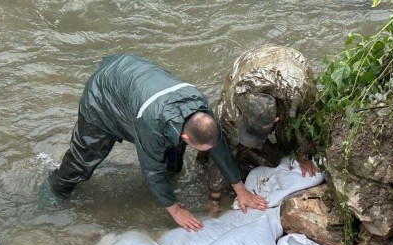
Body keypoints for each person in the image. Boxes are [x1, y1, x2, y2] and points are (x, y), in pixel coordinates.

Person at [43, 53, 268, 231]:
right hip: (104, 94)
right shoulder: (152, 126)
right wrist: (176, 210)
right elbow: (151, 171)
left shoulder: (200, 108)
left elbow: (217, 146)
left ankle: (170, 182)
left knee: (172, 160)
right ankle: (53, 191)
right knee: (84, 158)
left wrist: (240, 189)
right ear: (188, 137)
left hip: (139, 85)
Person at [203, 45, 321, 208]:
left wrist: (303, 154)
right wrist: (214, 196)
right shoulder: (232, 108)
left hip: (291, 65)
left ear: (276, 119)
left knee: (290, 133)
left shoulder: (299, 93)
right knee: (226, 140)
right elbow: (220, 148)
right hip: (251, 61)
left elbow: (307, 120)